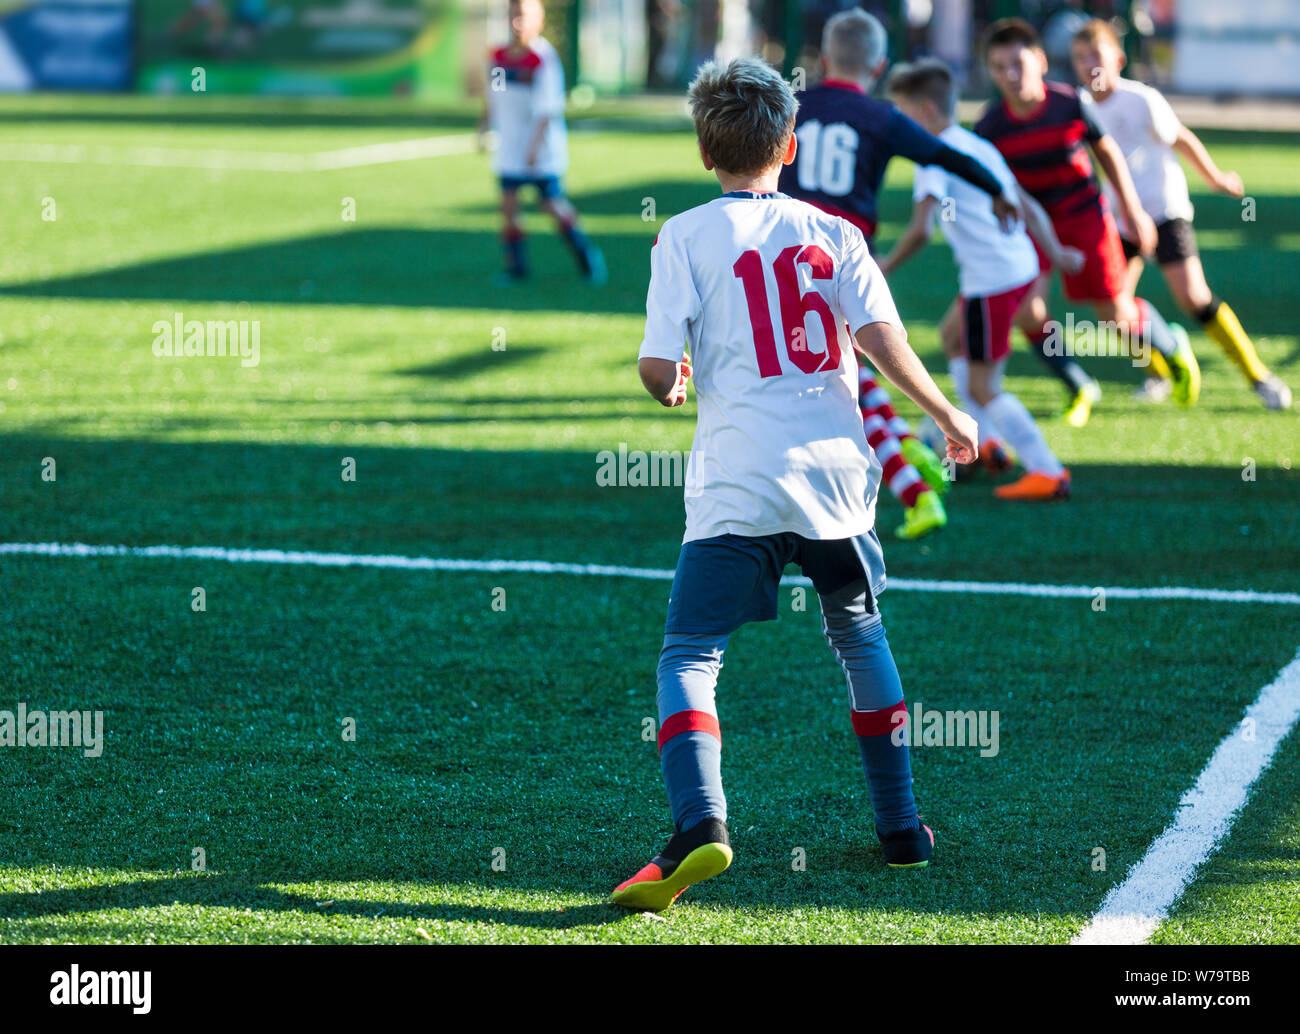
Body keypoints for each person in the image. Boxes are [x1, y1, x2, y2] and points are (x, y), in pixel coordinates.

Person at [613, 57, 979, 912]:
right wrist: (948, 414)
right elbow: (882, 339)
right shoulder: (836, 233)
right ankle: (901, 829)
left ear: (706, 152)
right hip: (835, 480)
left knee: (690, 654)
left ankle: (700, 823)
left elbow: (658, 361)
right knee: (857, 634)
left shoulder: (685, 235)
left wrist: (667, 382)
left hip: (740, 481)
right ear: (790, 146)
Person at [779, 9, 1021, 539]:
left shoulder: (791, 106)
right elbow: (944, 153)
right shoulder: (881, 117)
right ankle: (912, 458)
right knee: (854, 373)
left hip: (786, 263)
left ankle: (914, 489)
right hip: (849, 260)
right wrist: (998, 190)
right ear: (881, 64)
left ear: (822, 59)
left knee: (842, 382)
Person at [976, 17, 1201, 422]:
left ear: (1041, 61)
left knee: (1115, 317)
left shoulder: (1069, 103)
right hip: (1034, 227)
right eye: (998, 67)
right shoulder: (990, 126)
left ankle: (1171, 346)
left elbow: (1108, 154)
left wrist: (1132, 212)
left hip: (1085, 219)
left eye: (1018, 63)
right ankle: (1078, 384)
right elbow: (988, 183)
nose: (1009, 75)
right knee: (1028, 311)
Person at [1071, 18, 1291, 410]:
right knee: (1112, 308)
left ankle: (1258, 374)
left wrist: (1215, 178)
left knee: (1194, 296)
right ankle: (1158, 369)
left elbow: (1181, 137)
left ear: (1119, 59)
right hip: (1120, 219)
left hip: (1164, 210)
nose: (1090, 66)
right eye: (1080, 58)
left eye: (1097, 56)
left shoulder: (1142, 100)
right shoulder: (1078, 106)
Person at [884, 59, 1075, 501]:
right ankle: (985, 443)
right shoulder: (978, 144)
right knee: (953, 336)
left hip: (993, 280)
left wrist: (885, 265)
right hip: (1013, 268)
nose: (898, 127)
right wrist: (1054, 250)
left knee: (981, 387)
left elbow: (920, 229)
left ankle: (1047, 470)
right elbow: (1025, 204)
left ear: (927, 110)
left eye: (902, 115)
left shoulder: (930, 155)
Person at [478, 0, 605, 284]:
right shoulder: (498, 54)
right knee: (508, 206)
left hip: (541, 150)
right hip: (509, 147)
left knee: (552, 205)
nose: (516, 22)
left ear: (539, 21)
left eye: (523, 16)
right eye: (513, 15)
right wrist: (482, 125)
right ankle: (516, 268)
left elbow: (548, 109)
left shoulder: (543, 58)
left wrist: (534, 148)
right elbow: (492, 95)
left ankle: (586, 255)